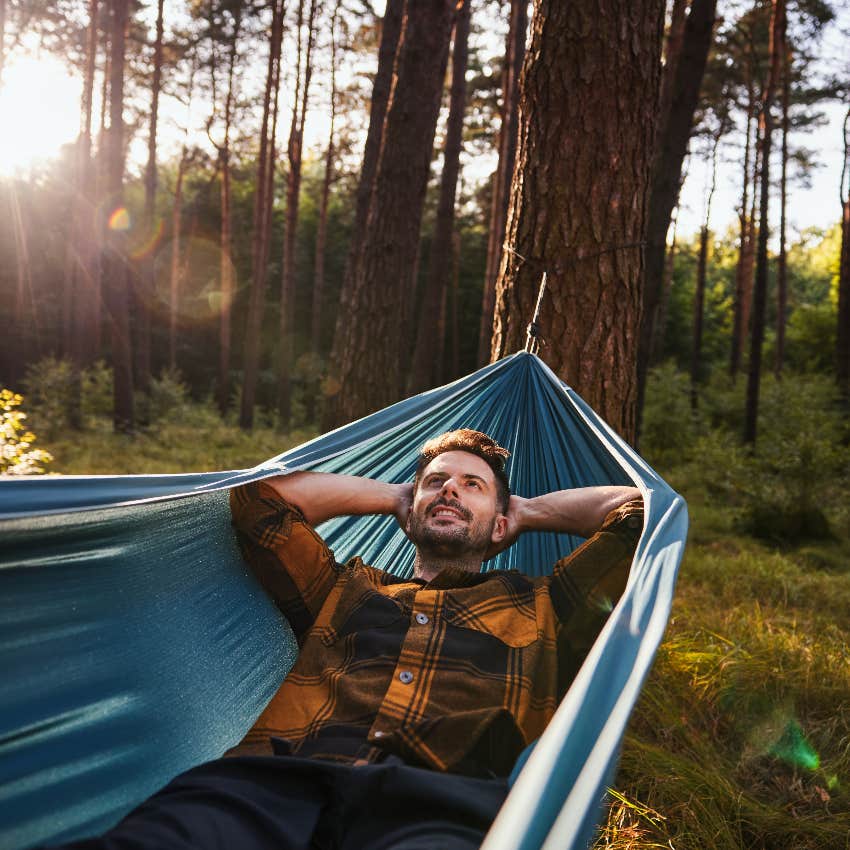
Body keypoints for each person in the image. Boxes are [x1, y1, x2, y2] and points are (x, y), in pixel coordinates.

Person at [55, 429, 642, 850]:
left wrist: (528, 509)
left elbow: (637, 512)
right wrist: (396, 497)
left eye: (472, 486)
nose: (450, 492)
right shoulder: (345, 588)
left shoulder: (545, 604)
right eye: (435, 483)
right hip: (275, 783)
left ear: (499, 521)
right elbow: (261, 501)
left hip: (440, 801)